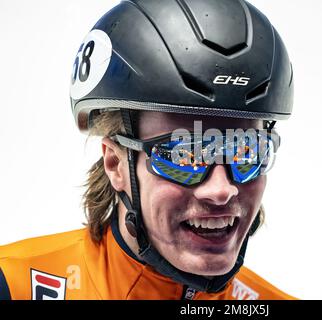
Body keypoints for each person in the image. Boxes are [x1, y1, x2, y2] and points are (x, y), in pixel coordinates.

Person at [0, 0, 295, 300]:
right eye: (184, 155)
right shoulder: (14, 285)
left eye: (247, 151)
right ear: (115, 163)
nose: (221, 190)